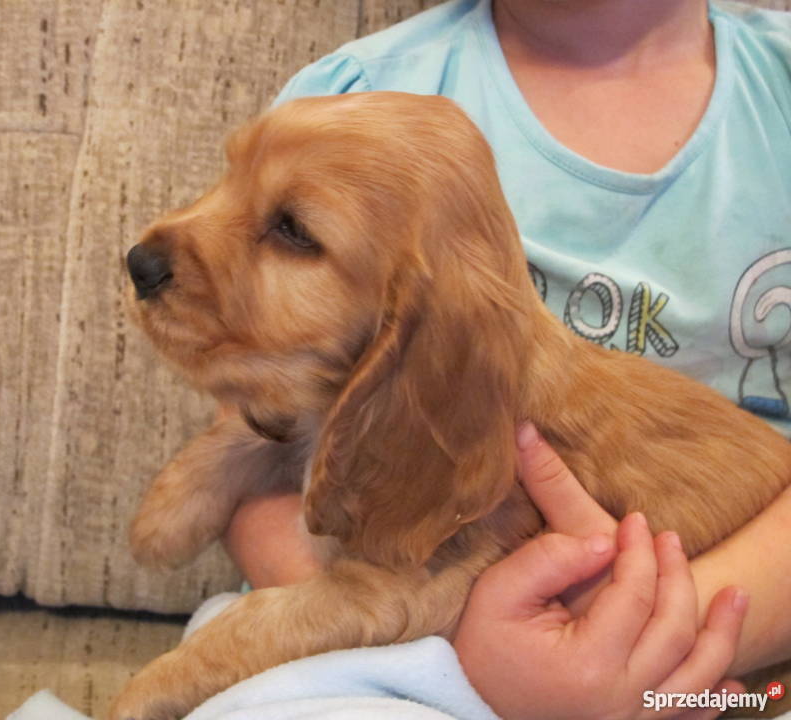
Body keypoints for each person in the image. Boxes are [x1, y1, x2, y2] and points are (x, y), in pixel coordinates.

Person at [220, 0, 791, 717]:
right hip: (380, 646)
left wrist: (625, 654)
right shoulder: (352, 97)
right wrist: (448, 641)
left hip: (736, 663)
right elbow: (249, 450)